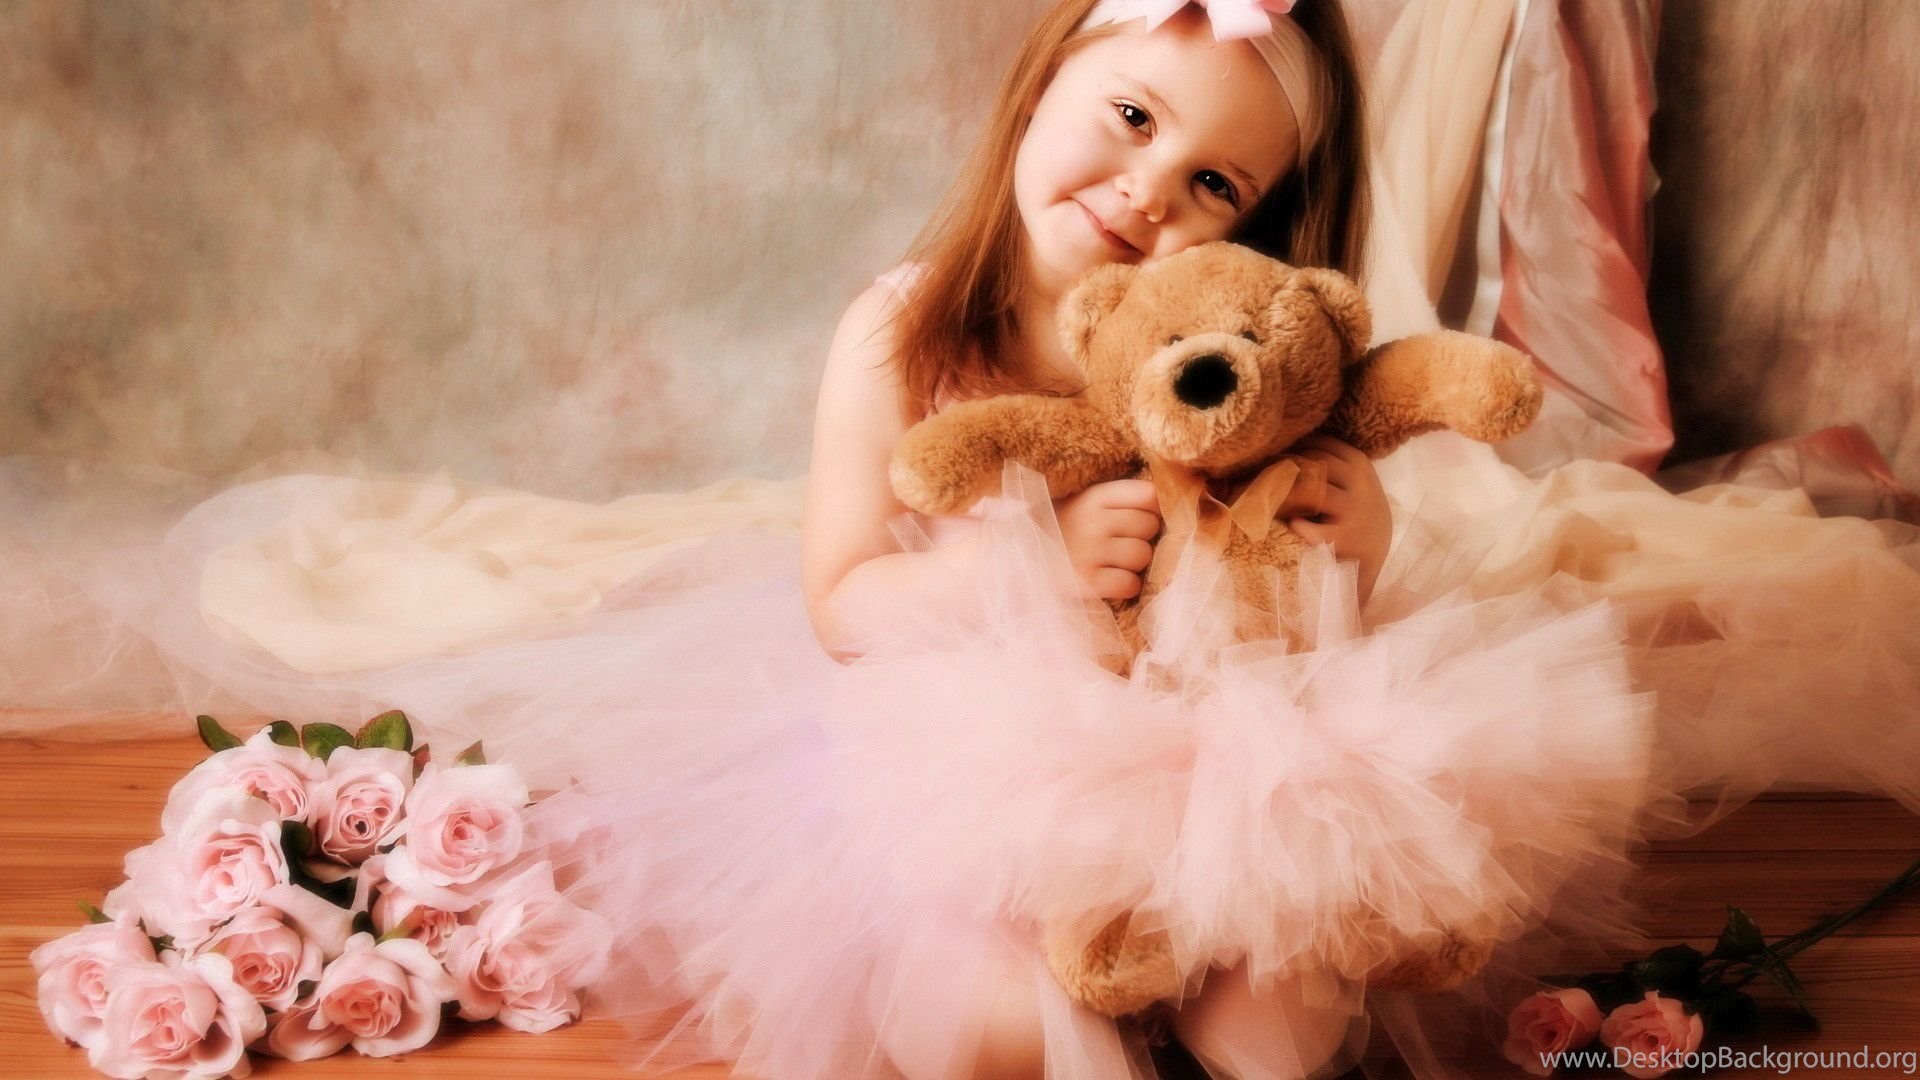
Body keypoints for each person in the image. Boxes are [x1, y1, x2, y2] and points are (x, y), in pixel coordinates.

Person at [5, 1, 1920, 1079]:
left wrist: (1353, 529)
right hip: (971, 759)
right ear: (1050, 76)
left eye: (1212, 183)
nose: (1146, 190)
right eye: (1130, 117)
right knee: (1002, 1019)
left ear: (1259, 232)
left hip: (1231, 749)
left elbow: (1302, 593)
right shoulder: (906, 330)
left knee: (1283, 1026)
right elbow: (844, 599)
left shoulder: (1252, 358)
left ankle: (1215, 1007)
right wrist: (1020, 572)